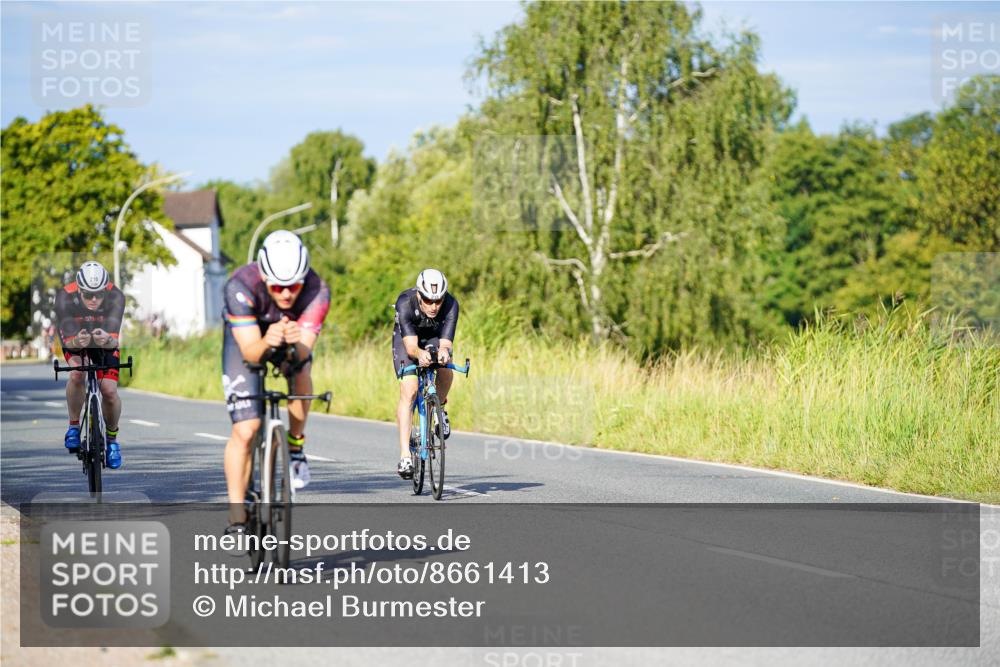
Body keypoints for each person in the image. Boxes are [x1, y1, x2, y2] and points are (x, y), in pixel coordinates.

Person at [221, 230, 330, 536]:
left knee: (301, 370)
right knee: (246, 429)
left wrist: (294, 345)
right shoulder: (240, 285)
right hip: (247, 340)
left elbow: (302, 353)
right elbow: (250, 352)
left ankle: (295, 448)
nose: (285, 294)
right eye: (277, 286)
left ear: (303, 279)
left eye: (293, 286)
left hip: (289, 338)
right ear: (264, 277)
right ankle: (237, 517)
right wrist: (268, 340)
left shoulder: (317, 290)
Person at [55, 261, 127, 468]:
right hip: (75, 337)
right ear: (79, 290)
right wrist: (77, 342)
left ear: (106, 290)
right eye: (88, 295)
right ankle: (73, 427)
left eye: (99, 294)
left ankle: (112, 441)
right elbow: (69, 342)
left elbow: (113, 341)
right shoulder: (64, 297)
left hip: (104, 339)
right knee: (77, 373)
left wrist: (107, 339)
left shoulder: (116, 296)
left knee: (109, 391)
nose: (94, 299)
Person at [392, 268, 460, 479]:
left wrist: (444, 353)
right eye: (429, 300)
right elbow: (411, 347)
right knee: (410, 390)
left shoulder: (451, 305)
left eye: (438, 301)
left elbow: (446, 342)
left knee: (446, 369)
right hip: (407, 340)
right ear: (419, 295)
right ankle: (405, 455)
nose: (434, 306)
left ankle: (439, 409)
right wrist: (419, 354)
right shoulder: (405, 302)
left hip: (433, 338)